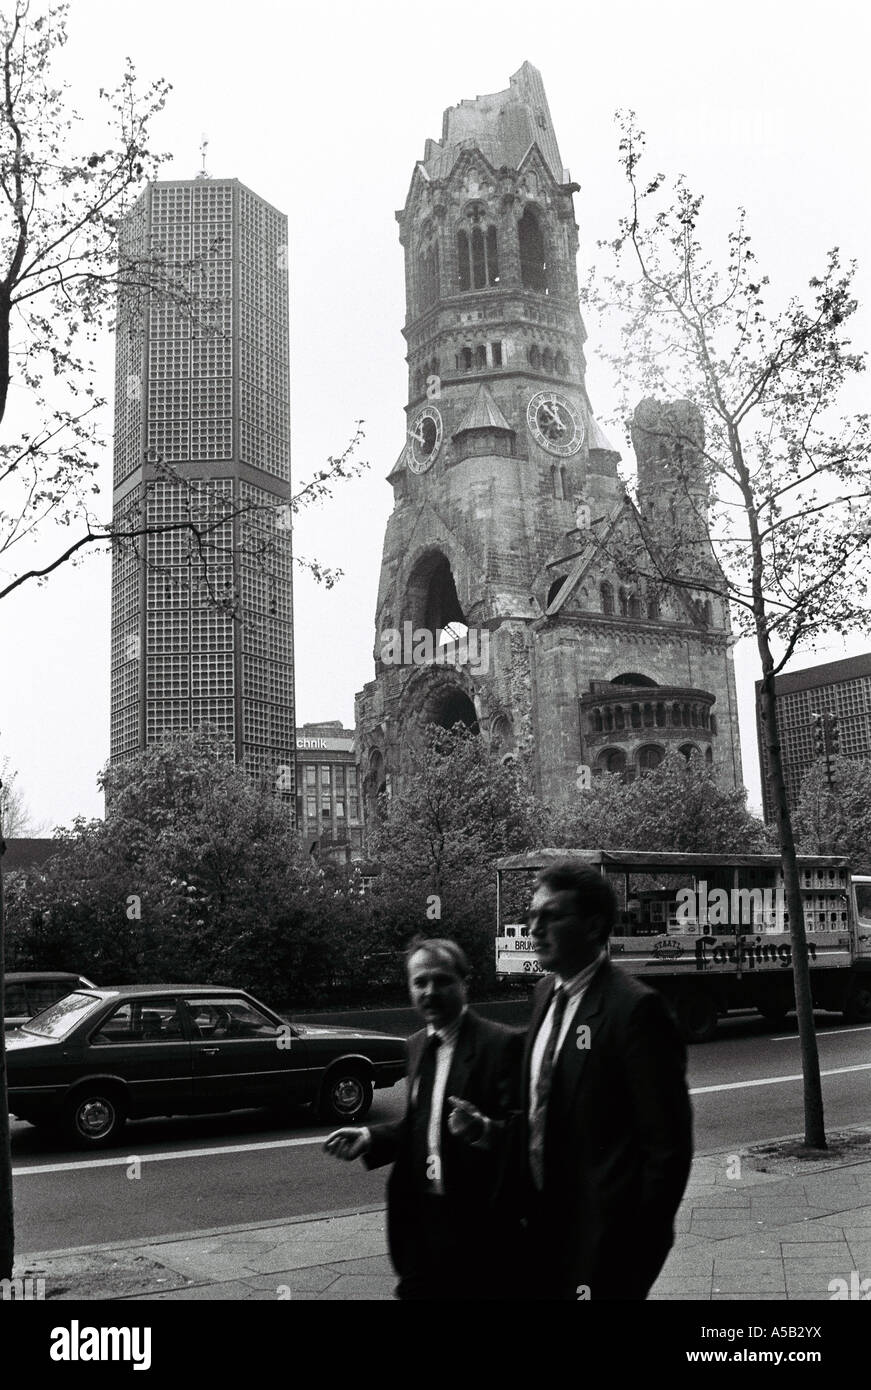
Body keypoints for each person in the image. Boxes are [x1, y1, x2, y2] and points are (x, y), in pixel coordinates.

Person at [455, 862, 693, 1300]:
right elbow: (544, 1115)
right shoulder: (546, 993)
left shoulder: (637, 1011)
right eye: (531, 917)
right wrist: (486, 1131)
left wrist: (635, 1255)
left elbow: (668, 1151)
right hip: (536, 1233)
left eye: (552, 917)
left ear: (593, 925)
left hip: (603, 1249)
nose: (534, 929)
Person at [324, 937, 521, 1300]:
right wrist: (371, 1137)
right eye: (420, 982)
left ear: (465, 983)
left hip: (477, 1227)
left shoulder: (501, 1044)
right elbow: (420, 1124)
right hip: (420, 1224)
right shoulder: (415, 1044)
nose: (430, 991)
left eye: (442, 980)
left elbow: (526, 1136)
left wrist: (482, 1129)